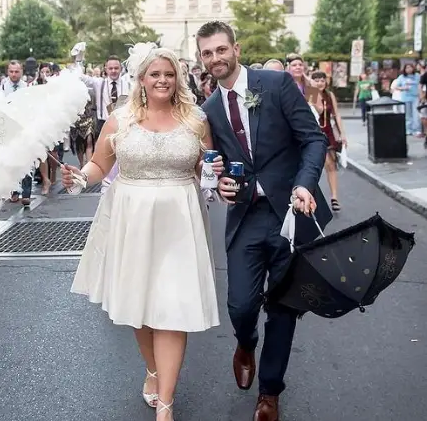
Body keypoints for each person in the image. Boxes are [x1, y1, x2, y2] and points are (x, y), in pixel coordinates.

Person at [61, 47, 223, 421]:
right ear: (142, 79)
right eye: (155, 74)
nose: (163, 80)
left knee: (172, 308)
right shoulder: (120, 120)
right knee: (141, 307)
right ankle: (153, 368)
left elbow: (207, 169)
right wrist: (80, 176)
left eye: (169, 73)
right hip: (131, 218)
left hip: (180, 220)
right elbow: (101, 163)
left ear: (178, 78)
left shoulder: (196, 120)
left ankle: (165, 402)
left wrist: (216, 179)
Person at [198, 21, 332, 421]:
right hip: (246, 218)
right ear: (201, 58)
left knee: (283, 306)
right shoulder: (207, 110)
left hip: (292, 213)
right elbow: (211, 167)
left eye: (221, 49)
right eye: (207, 53)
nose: (216, 58)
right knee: (240, 304)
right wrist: (216, 185)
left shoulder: (275, 85)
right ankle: (245, 341)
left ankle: (269, 392)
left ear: (235, 49)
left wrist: (306, 184)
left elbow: (313, 139)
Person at [310, 71, 347, 212]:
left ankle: (334, 198)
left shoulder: (329, 95)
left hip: (328, 132)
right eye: (317, 80)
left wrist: (342, 134)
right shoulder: (310, 93)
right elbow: (318, 112)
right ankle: (311, 196)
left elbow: (336, 115)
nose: (320, 83)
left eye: (322, 80)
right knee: (314, 167)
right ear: (312, 81)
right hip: (314, 133)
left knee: (331, 165)